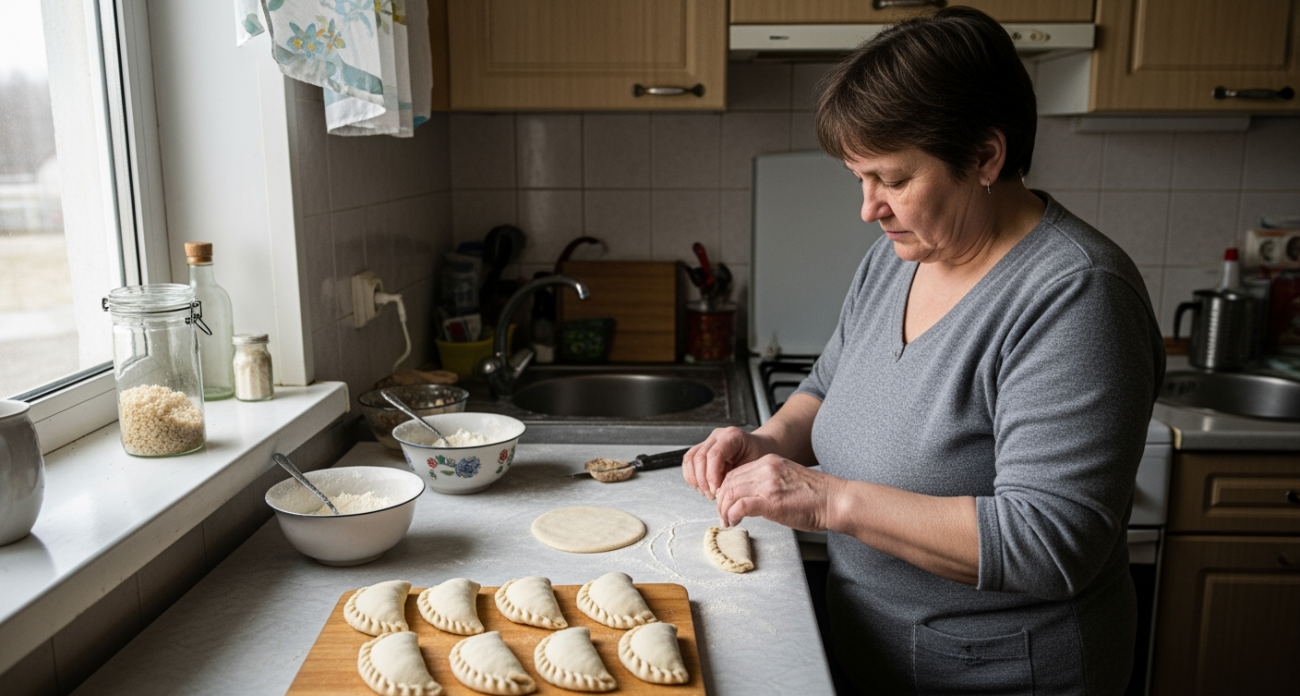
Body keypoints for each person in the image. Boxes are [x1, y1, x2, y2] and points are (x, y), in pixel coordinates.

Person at [683, 7, 1165, 695]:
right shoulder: (899, 258)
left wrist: (825, 501)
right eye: (859, 178)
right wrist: (768, 443)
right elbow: (824, 386)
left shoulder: (1077, 296)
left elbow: (1050, 542)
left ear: (985, 157)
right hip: (872, 648)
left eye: (894, 180)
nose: (867, 207)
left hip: (1005, 673)